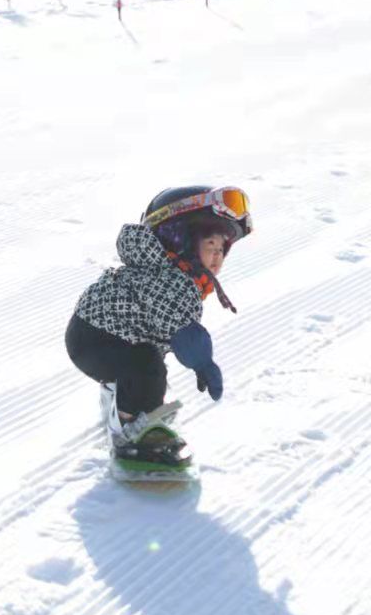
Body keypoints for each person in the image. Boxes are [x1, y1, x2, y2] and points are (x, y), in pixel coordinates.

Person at [66, 187, 251, 470]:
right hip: (95, 339)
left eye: (221, 249)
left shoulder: (171, 273)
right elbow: (183, 331)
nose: (217, 255)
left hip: (98, 336)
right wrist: (203, 363)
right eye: (210, 245)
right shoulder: (173, 280)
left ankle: (126, 404)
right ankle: (130, 435)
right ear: (185, 243)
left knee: (148, 367)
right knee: (147, 366)